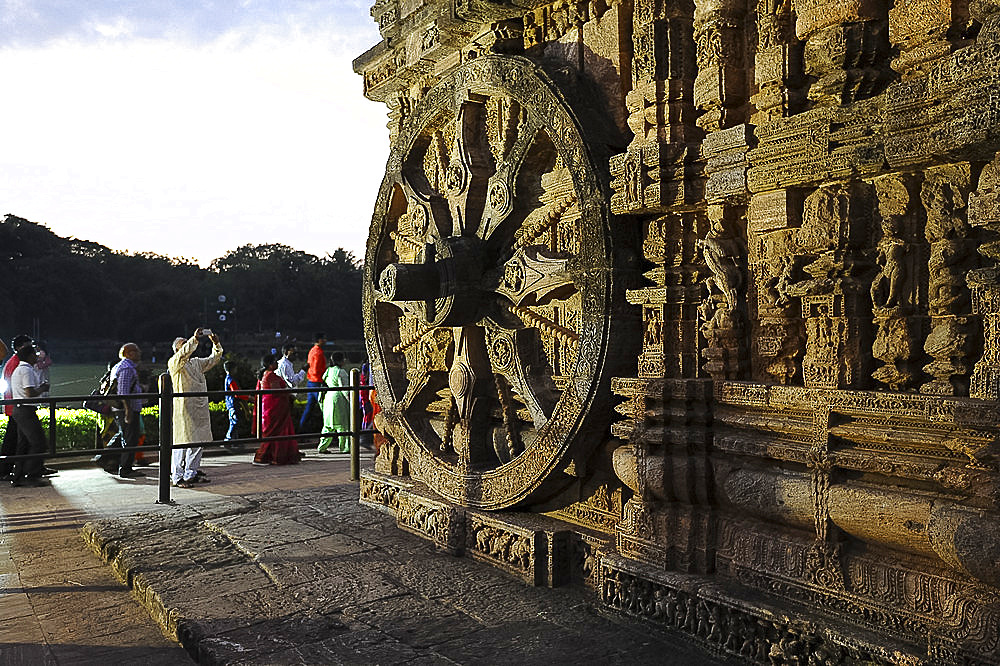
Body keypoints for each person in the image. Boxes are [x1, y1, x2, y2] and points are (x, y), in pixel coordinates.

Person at [168, 329, 222, 488]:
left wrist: (216, 343)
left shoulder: (196, 362)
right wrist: (194, 339)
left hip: (199, 407)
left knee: (198, 442)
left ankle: (190, 474)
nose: (188, 347)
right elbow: (185, 352)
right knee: (182, 443)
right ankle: (177, 477)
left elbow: (214, 359)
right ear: (177, 349)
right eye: (183, 345)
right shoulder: (174, 363)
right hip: (184, 409)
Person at [96, 343, 144, 478]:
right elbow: (123, 392)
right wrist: (128, 410)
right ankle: (125, 468)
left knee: (124, 435)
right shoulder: (126, 368)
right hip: (126, 409)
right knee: (130, 438)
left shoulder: (120, 366)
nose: (139, 353)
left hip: (122, 408)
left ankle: (104, 458)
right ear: (128, 353)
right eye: (136, 351)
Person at [9, 340, 51, 486]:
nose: (37, 356)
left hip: (19, 409)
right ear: (29, 356)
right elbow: (29, 392)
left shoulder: (19, 369)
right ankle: (31, 475)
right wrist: (43, 389)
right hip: (26, 410)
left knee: (23, 444)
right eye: (34, 354)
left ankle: (18, 476)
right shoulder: (26, 370)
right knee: (38, 442)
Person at [252, 354, 299, 465]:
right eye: (274, 362)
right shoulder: (271, 376)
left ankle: (272, 455)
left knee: (273, 432)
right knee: (276, 432)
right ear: (270, 365)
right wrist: (290, 395)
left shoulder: (266, 375)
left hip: (271, 407)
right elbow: (278, 392)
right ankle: (270, 456)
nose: (277, 363)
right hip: (275, 408)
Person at [1, 335, 33, 478]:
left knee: (20, 439)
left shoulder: (14, 362)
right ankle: (6, 470)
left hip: (15, 406)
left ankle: (22, 468)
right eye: (29, 346)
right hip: (17, 407)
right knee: (14, 440)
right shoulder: (17, 363)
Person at [318, 352, 350, 453]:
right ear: (340, 360)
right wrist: (351, 402)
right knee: (343, 426)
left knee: (328, 425)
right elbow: (345, 389)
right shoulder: (341, 372)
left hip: (328, 398)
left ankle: (322, 447)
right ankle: (344, 448)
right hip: (338, 399)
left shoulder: (329, 370)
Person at [298, 333, 327, 431]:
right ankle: (331, 433)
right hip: (317, 382)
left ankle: (301, 430)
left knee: (309, 409)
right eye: (324, 338)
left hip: (311, 381)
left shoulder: (312, 350)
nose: (325, 340)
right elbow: (316, 370)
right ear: (319, 340)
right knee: (325, 408)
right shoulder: (318, 353)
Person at [223, 361, 249, 443]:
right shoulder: (231, 379)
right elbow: (237, 393)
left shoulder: (228, 378)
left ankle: (234, 441)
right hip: (233, 403)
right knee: (234, 421)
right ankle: (229, 439)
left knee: (235, 421)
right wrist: (248, 397)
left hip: (231, 403)